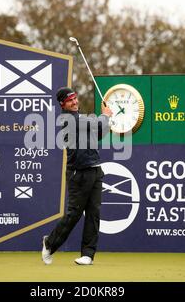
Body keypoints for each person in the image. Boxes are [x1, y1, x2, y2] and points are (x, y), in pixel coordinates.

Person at [42, 87, 113, 265]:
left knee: (93, 213)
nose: (74, 102)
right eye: (70, 100)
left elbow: (100, 132)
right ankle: (49, 243)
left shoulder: (82, 118)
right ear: (62, 104)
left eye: (75, 98)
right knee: (74, 213)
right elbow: (97, 125)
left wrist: (107, 120)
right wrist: (105, 116)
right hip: (78, 173)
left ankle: (87, 254)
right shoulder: (67, 119)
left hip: (95, 169)